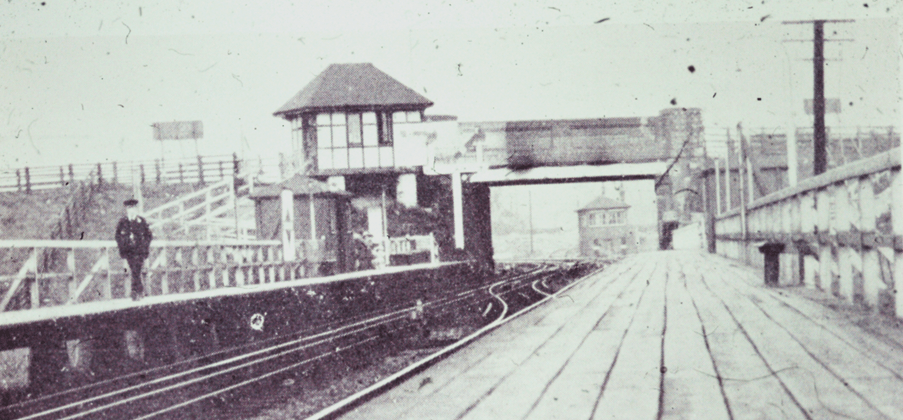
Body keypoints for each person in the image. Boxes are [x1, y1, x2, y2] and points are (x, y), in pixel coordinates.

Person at [115, 198, 153, 301]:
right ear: (126, 209)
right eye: (129, 208)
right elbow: (117, 236)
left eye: (133, 208)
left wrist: (145, 246)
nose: (131, 210)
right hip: (128, 251)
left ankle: (135, 292)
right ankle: (139, 290)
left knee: (136, 269)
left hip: (140, 251)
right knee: (135, 269)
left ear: (136, 209)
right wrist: (122, 246)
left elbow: (149, 236)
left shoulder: (141, 221)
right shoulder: (123, 222)